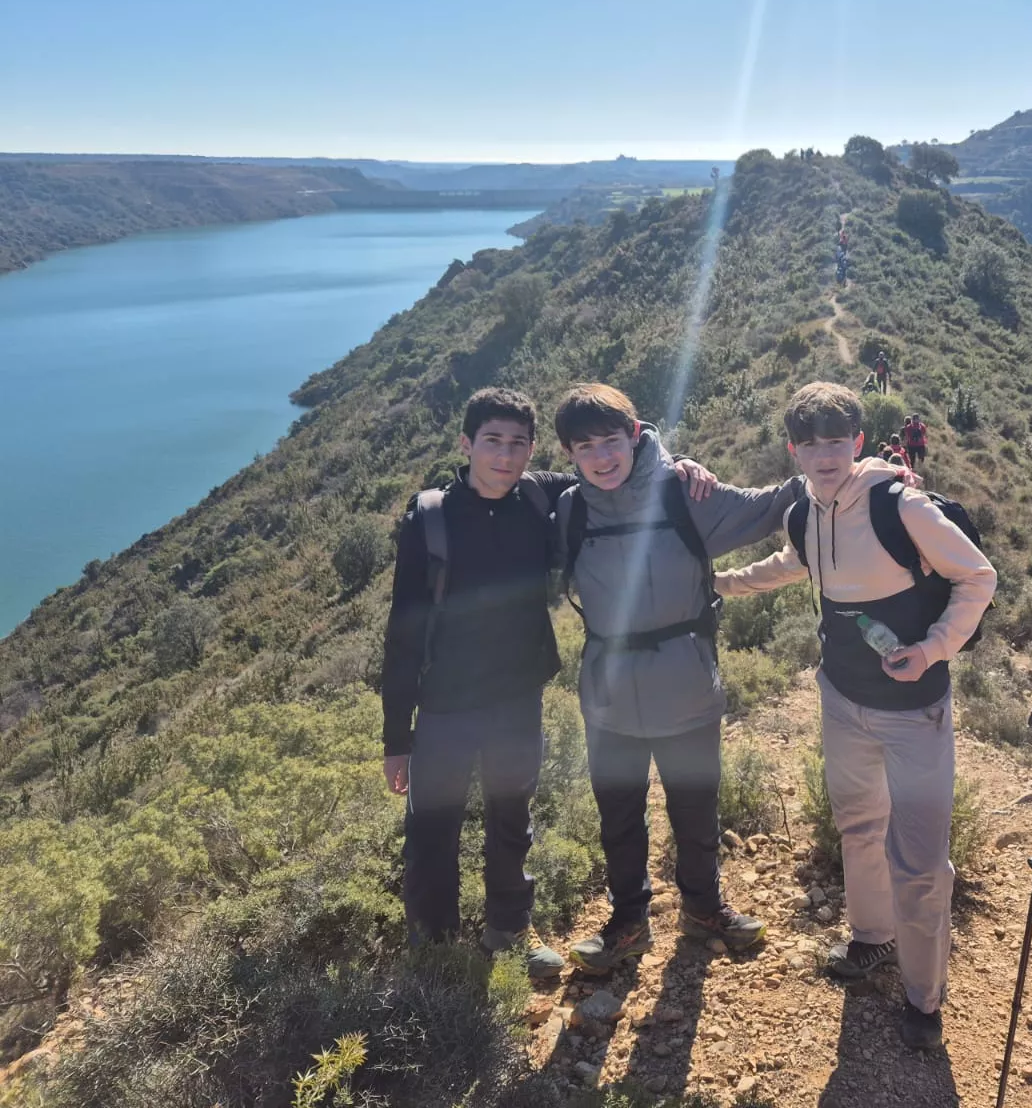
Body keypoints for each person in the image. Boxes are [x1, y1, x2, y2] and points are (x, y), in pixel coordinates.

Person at [380, 387, 717, 977]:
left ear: (533, 450)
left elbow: (616, 468)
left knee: (511, 824)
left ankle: (508, 937)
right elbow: (402, 632)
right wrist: (395, 736)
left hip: (516, 700)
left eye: (517, 444)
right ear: (466, 445)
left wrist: (678, 465)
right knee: (432, 835)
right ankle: (433, 957)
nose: (505, 457)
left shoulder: (544, 497)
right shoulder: (429, 517)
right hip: (443, 707)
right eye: (492, 442)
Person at [715, 381, 996, 1051]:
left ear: (858, 441)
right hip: (841, 700)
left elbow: (977, 577)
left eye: (836, 440)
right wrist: (721, 584)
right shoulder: (804, 511)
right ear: (793, 450)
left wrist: (931, 650)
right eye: (809, 443)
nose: (824, 455)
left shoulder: (901, 506)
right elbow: (796, 563)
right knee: (859, 829)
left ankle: (924, 1002)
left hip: (913, 711)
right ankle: (872, 939)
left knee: (922, 865)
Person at [552, 383, 807, 974]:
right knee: (618, 816)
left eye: (611, 441)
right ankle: (628, 922)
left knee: (695, 810)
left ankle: (703, 909)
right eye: (585, 447)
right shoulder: (568, 509)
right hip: (609, 695)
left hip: (686, 688)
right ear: (569, 454)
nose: (602, 457)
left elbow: (772, 505)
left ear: (634, 435)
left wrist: (858, 469)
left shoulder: (686, 496)